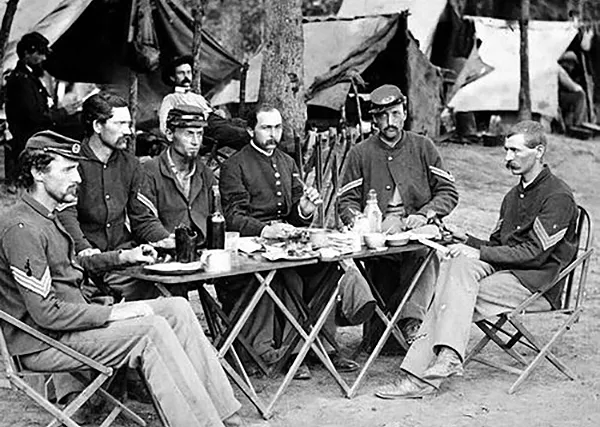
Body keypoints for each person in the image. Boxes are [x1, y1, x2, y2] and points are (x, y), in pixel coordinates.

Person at [0, 130, 244, 427]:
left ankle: (226, 416)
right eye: (67, 169)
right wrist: (116, 312)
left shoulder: (45, 216)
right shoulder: (22, 227)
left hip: (72, 327)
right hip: (45, 342)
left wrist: (121, 258)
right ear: (38, 172)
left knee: (177, 308)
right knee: (150, 329)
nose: (78, 178)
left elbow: (71, 264)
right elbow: (46, 313)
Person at [375, 120, 578, 399]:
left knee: (451, 293)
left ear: (539, 151)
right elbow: (499, 246)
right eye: (506, 150)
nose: (508, 158)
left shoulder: (558, 196)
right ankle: (444, 359)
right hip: (507, 274)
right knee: (456, 267)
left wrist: (478, 253)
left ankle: (420, 375)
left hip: (537, 282)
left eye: (516, 151)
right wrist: (466, 239)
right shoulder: (513, 196)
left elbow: (533, 253)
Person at [219, 105, 366, 379]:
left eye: (277, 127)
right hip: (250, 248)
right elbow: (234, 217)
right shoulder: (234, 165)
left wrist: (305, 208)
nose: (273, 134)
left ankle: (320, 344)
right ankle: (291, 351)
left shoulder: (287, 162)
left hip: (285, 245)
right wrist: (265, 230)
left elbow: (295, 219)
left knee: (326, 269)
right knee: (290, 277)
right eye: (266, 128)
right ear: (251, 130)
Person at [338, 84, 459, 347]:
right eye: (382, 116)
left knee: (427, 254)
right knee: (378, 265)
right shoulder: (361, 153)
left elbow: (448, 192)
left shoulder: (423, 147)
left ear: (404, 112)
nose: (389, 122)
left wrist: (426, 213)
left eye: (394, 113)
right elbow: (345, 201)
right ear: (374, 119)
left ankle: (411, 321)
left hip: (415, 230)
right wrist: (361, 222)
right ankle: (383, 329)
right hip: (378, 236)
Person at [57, 92, 172, 301]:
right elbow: (66, 215)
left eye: (128, 124)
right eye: (119, 124)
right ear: (97, 126)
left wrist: (166, 240)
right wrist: (85, 249)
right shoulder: (71, 164)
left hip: (123, 258)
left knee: (169, 279)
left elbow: (142, 218)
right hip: (84, 263)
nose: (128, 131)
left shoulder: (131, 165)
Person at [4, 32, 79, 192]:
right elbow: (34, 116)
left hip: (37, 129)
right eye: (40, 54)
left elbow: (42, 109)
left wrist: (63, 112)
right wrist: (63, 113)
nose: (44, 59)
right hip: (30, 135)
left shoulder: (30, 77)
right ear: (27, 54)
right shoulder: (20, 80)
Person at [140, 105, 215, 238]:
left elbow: (216, 215)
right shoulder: (149, 171)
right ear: (169, 134)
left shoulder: (205, 174)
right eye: (189, 134)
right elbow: (144, 220)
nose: (196, 142)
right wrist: (167, 240)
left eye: (200, 134)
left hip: (201, 250)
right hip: (164, 250)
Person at [158, 55, 250, 150]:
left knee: (250, 127)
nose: (186, 76)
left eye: (188, 73)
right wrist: (174, 140)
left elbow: (212, 112)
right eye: (181, 73)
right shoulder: (171, 98)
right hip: (205, 129)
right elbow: (163, 124)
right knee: (242, 135)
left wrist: (217, 112)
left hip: (218, 123)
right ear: (173, 78)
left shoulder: (197, 97)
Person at [558, 51, 587, 127]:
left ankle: (570, 123)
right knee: (580, 95)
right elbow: (572, 86)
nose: (572, 67)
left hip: (560, 96)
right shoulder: (561, 70)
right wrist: (580, 88)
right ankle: (577, 123)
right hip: (558, 97)